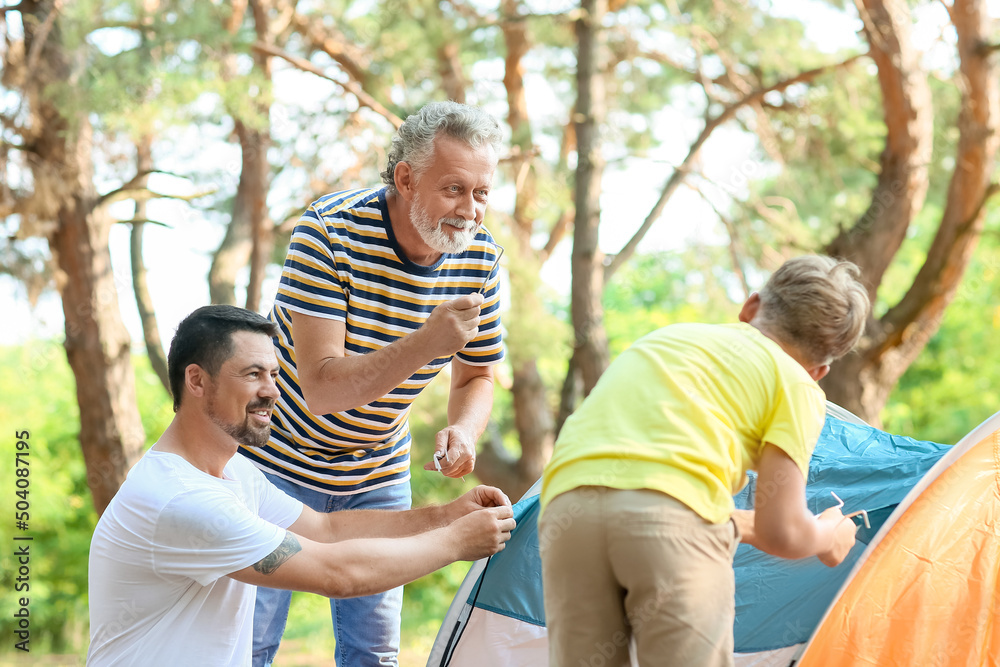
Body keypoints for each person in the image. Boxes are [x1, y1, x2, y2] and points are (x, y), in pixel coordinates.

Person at [87, 305, 515, 667]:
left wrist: (446, 516)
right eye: (253, 374)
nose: (272, 391)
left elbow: (327, 530)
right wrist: (456, 542)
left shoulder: (233, 473)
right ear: (196, 381)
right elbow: (337, 573)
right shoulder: (183, 501)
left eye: (274, 374)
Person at [241, 100, 506, 666]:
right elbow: (323, 390)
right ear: (406, 179)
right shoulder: (328, 233)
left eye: (481, 193)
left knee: (374, 652)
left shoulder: (480, 259)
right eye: (454, 189)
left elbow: (478, 373)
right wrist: (426, 343)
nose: (470, 211)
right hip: (277, 463)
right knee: (250, 643)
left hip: (377, 469)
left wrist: (464, 428)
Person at [538, 255, 871, 667]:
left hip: (566, 511)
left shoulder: (671, 338)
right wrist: (829, 534)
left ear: (750, 308)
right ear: (819, 371)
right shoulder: (797, 383)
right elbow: (780, 531)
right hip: (672, 526)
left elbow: (650, 477)